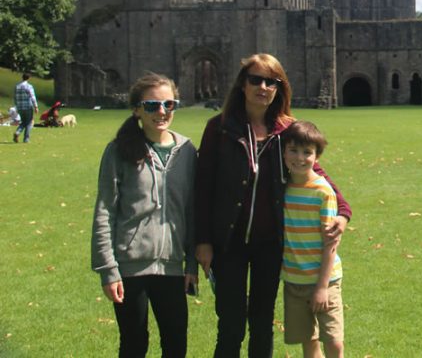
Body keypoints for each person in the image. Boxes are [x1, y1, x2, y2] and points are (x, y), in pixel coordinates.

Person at [194, 54, 352, 358]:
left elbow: (319, 174)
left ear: (280, 88)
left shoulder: (286, 130)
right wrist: (203, 241)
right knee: (230, 323)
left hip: (270, 243)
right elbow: (203, 187)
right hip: (228, 241)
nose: (263, 87)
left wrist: (343, 213)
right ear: (243, 84)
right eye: (256, 79)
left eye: (271, 82)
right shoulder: (220, 127)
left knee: (262, 322)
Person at [90, 73, 198, 357]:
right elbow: (104, 211)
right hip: (130, 267)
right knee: (134, 345)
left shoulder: (187, 151)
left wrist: (191, 265)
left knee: (176, 345)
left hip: (173, 267)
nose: (161, 112)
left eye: (168, 104)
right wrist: (108, 271)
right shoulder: (118, 151)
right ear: (137, 109)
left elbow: (191, 210)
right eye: (151, 106)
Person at [281, 121, 345, 358]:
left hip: (325, 281)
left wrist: (321, 287)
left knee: (334, 340)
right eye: (293, 150)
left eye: (307, 152)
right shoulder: (282, 188)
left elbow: (330, 243)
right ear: (284, 152)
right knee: (308, 340)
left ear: (317, 156)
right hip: (294, 279)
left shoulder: (323, 192)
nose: (300, 158)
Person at [13, 72, 39, 143]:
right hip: (28, 107)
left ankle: (17, 132)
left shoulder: (17, 86)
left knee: (23, 122)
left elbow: (15, 98)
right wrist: (36, 106)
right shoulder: (29, 86)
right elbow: (33, 97)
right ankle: (26, 139)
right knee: (29, 123)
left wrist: (17, 106)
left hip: (20, 107)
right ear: (28, 78)